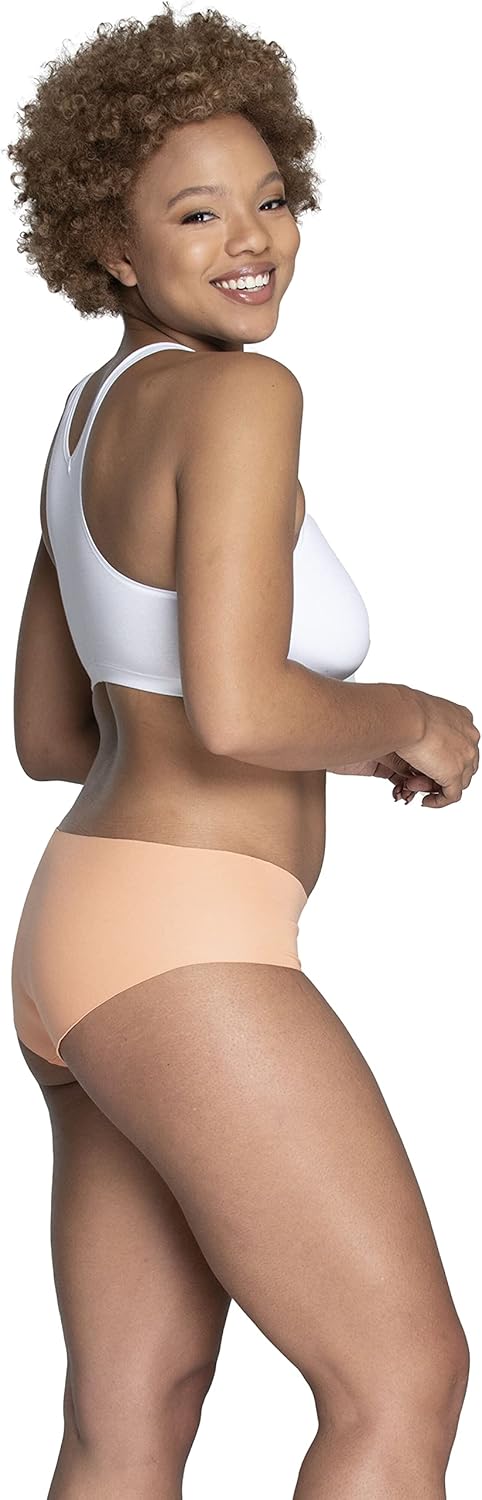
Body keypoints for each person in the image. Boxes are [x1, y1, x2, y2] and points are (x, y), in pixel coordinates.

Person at [8, 6, 479, 1497]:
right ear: (110, 245)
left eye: (271, 199)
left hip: (81, 937)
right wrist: (410, 718)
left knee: (130, 1416)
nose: (252, 240)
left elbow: (46, 735)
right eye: (197, 214)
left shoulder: (87, 415)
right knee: (398, 1383)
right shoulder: (241, 395)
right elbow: (243, 712)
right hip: (183, 946)